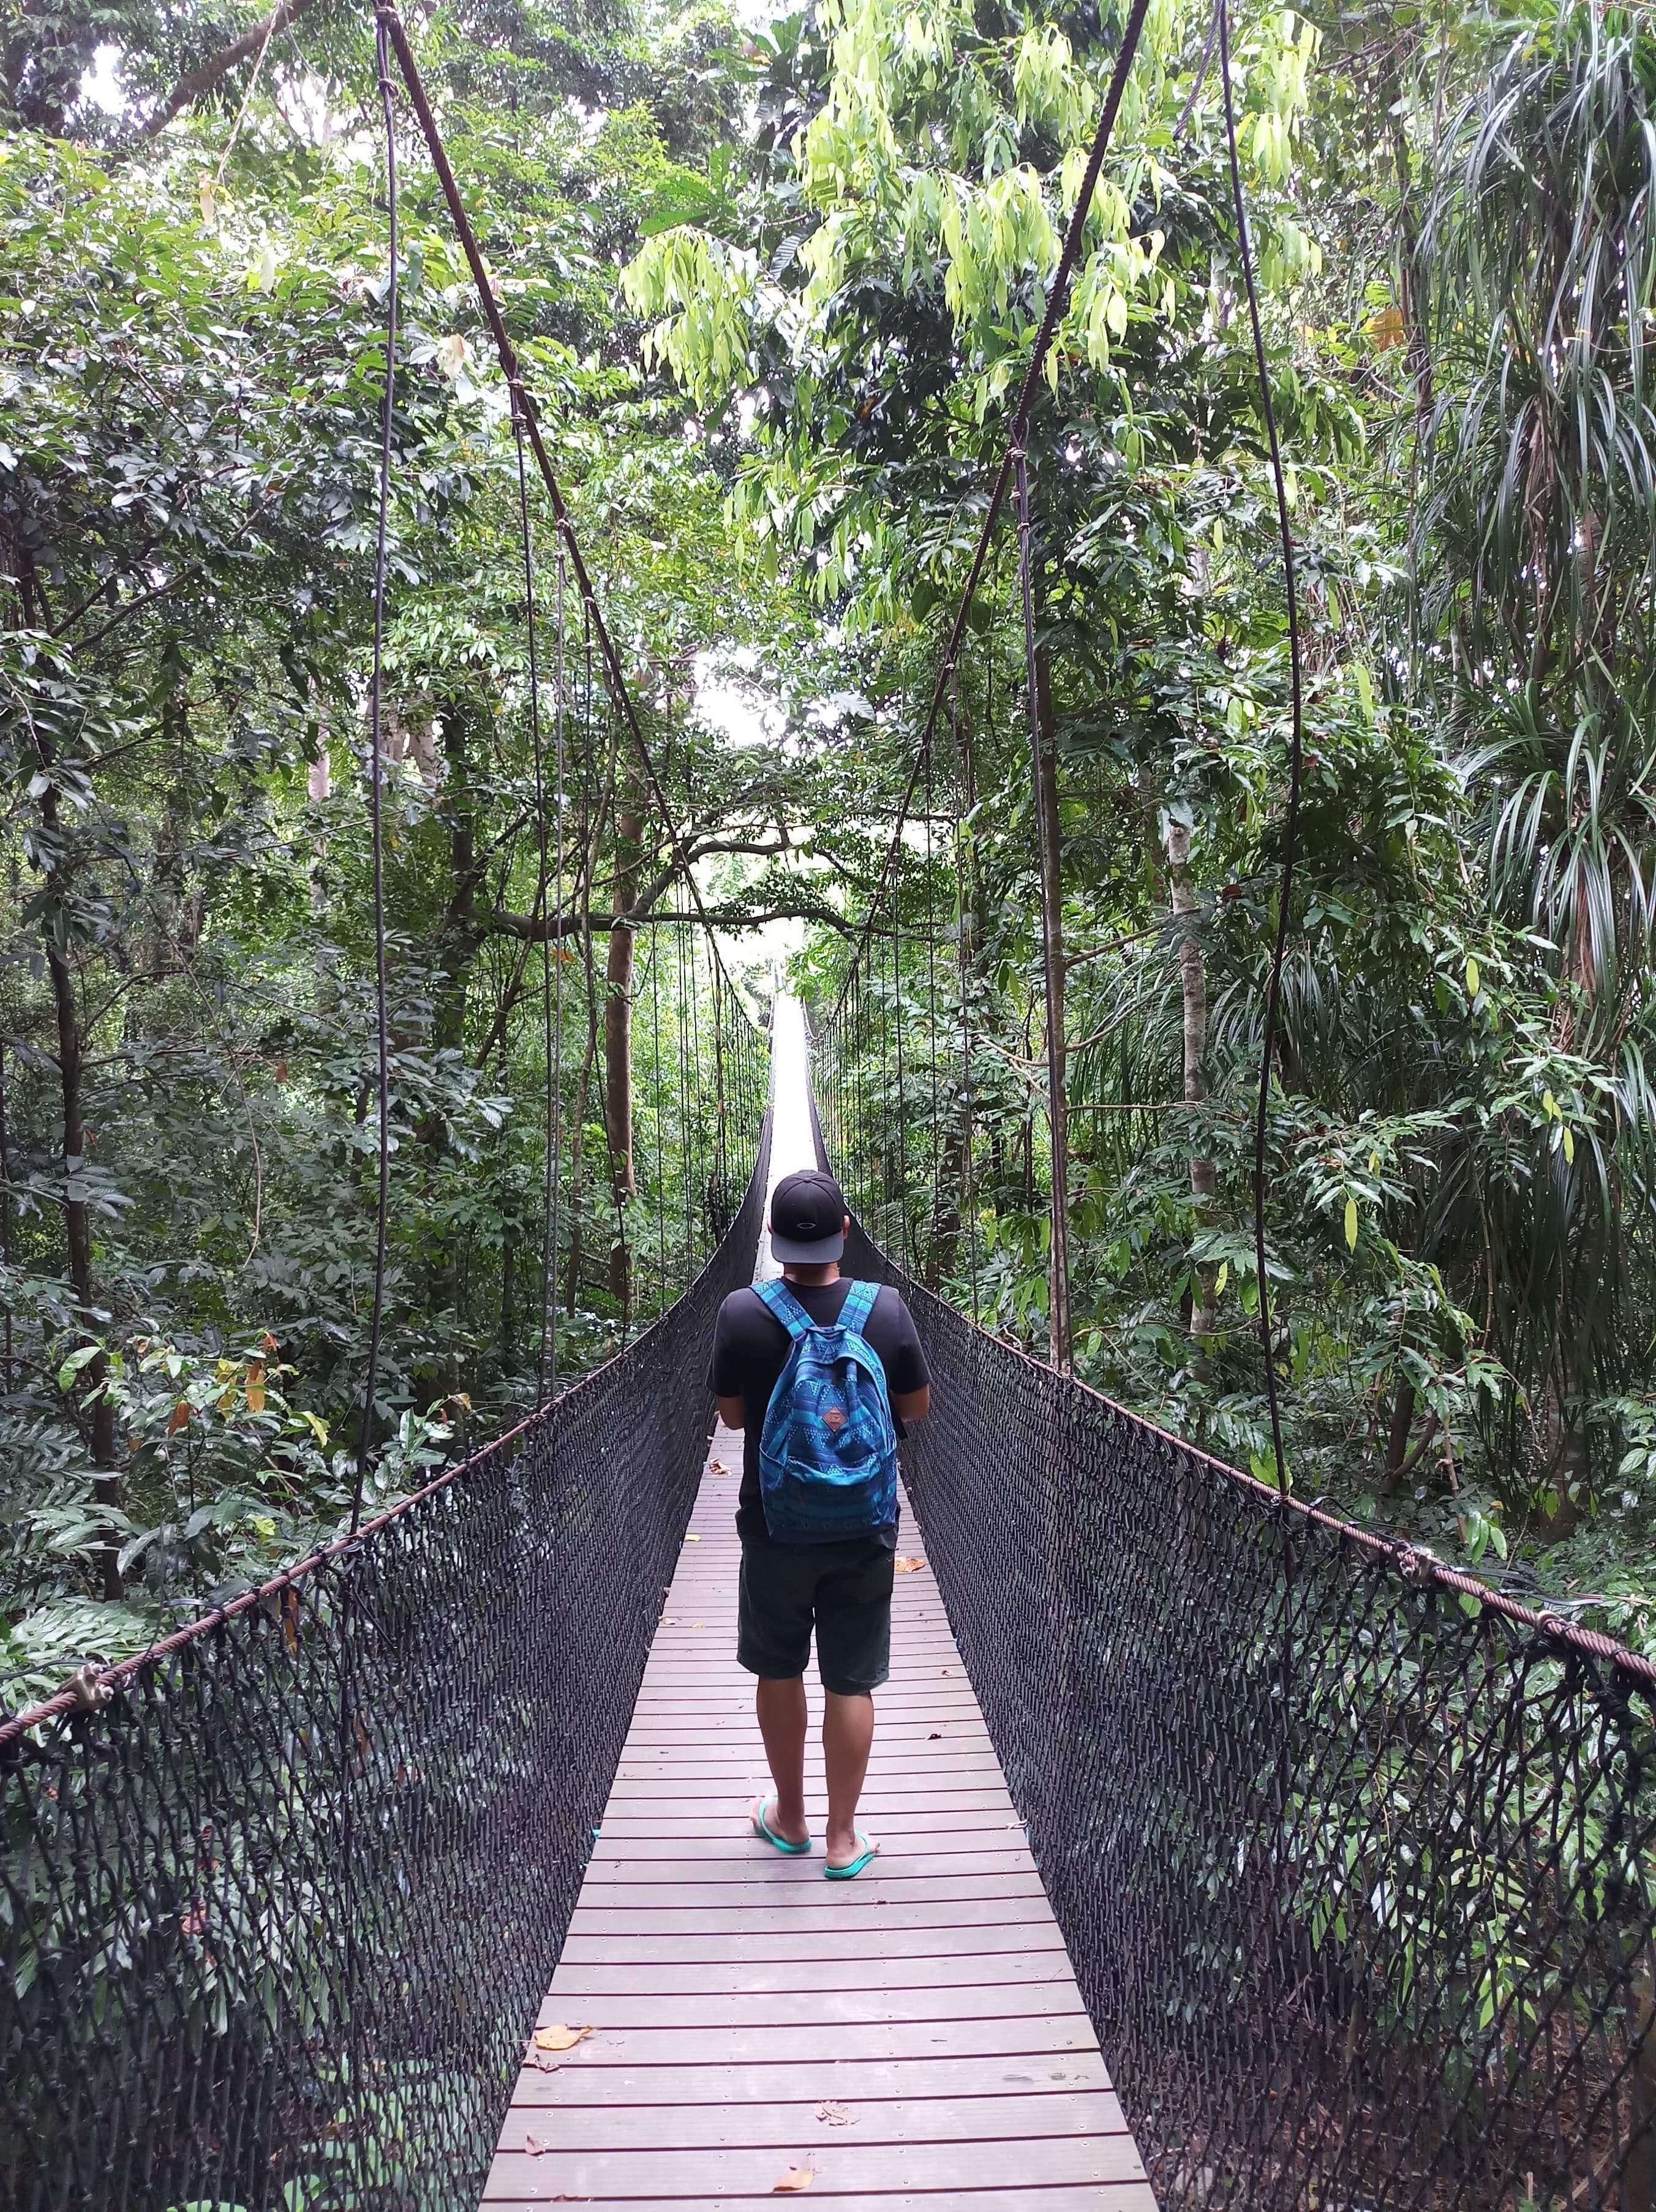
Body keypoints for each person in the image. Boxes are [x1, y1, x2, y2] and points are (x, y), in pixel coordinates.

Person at [708, 1167, 931, 1878]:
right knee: (850, 1679)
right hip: (864, 1525)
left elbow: (733, 1417)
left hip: (775, 1522)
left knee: (779, 1668)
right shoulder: (887, 1309)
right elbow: (917, 1407)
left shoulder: (741, 1312)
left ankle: (791, 1818)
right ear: (844, 1231)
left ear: (770, 1239)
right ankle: (842, 1839)